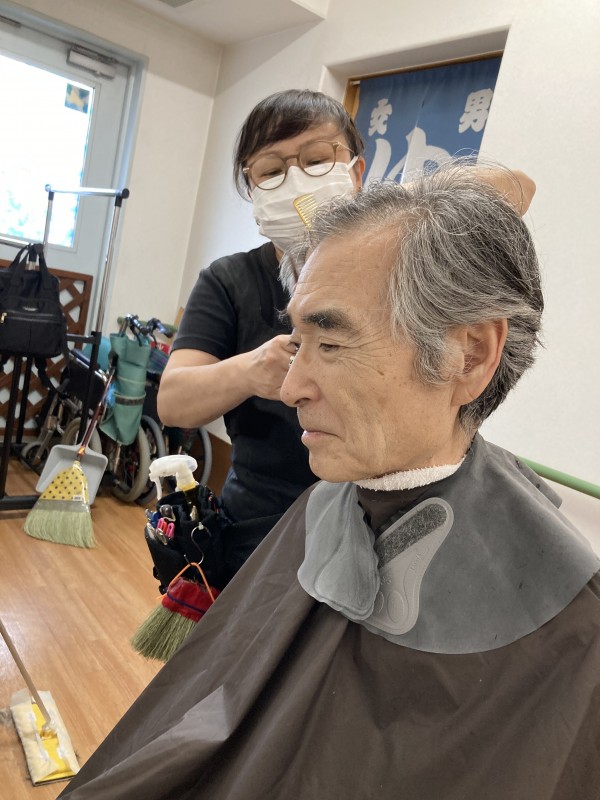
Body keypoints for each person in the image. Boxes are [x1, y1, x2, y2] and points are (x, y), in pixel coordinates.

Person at [57, 163, 600, 799]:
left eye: (332, 345)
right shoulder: (324, 505)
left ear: (470, 355)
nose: (290, 388)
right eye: (298, 342)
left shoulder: (571, 624)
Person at [157, 89, 366, 580]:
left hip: (369, 524)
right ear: (253, 190)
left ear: (356, 173)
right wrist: (252, 370)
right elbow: (172, 402)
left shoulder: (390, 270)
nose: (295, 181)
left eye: (317, 160)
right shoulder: (230, 281)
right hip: (258, 529)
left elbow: (514, 189)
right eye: (271, 171)